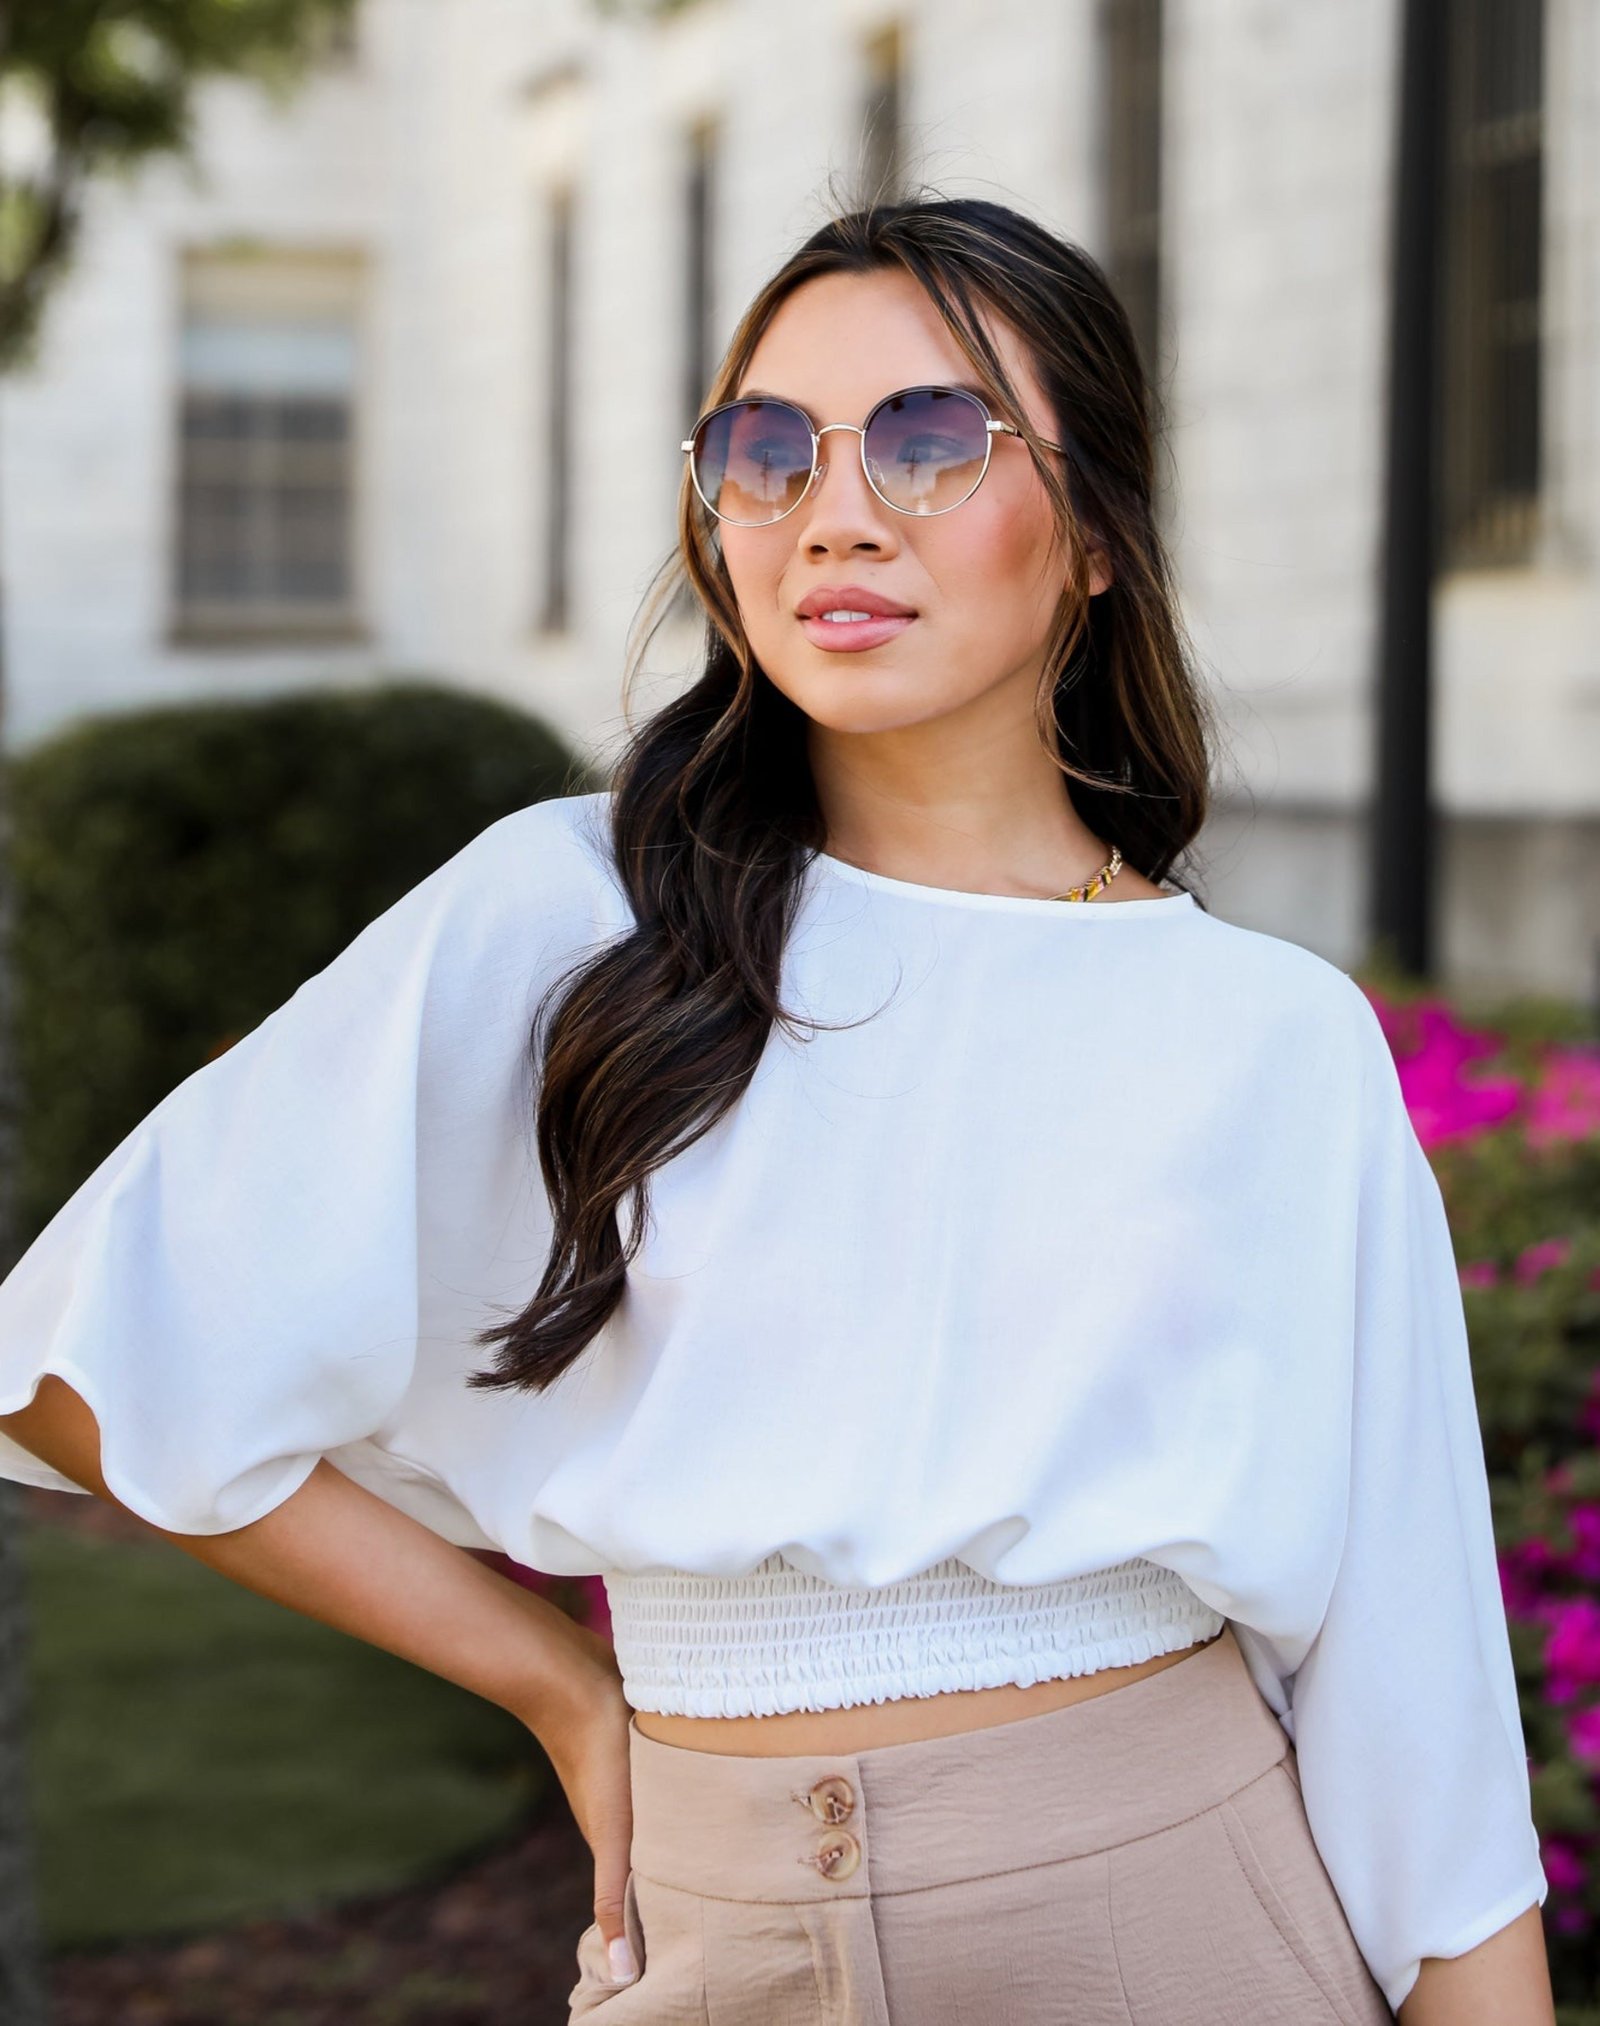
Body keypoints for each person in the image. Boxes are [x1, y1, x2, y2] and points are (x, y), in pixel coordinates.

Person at [0, 196, 1554, 2025]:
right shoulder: (570, 924)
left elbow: (1412, 1695)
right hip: (712, 1927)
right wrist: (565, 1691)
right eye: (764, 451)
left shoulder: (1269, 1037)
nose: (832, 511)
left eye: (928, 438)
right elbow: (79, 1358)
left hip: (1174, 1913)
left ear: (1102, 538)